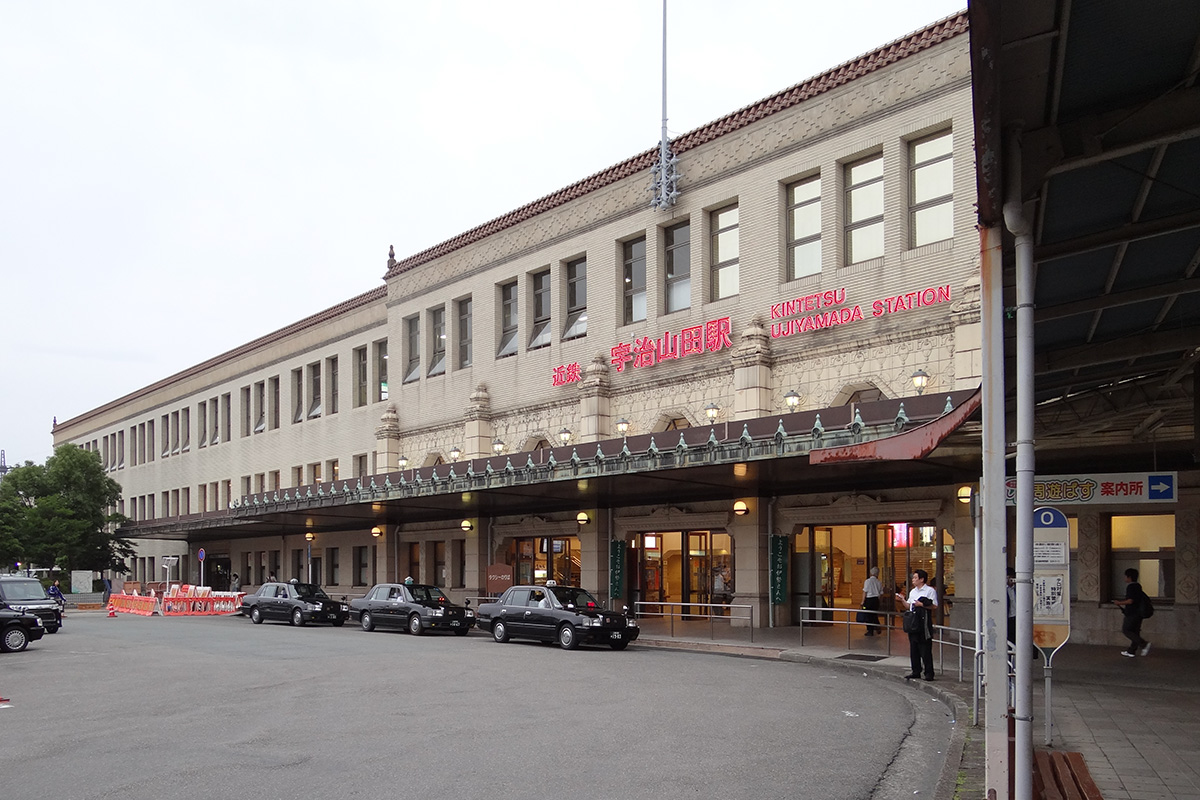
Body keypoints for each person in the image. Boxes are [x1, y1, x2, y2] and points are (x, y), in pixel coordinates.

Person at [896, 569, 938, 681]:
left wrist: (922, 604)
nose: (913, 580)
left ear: (922, 579)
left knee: (925, 648)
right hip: (913, 620)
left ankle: (929, 672)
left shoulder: (930, 591)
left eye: (915, 578)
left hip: (923, 621)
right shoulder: (913, 591)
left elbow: (934, 606)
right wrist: (902, 600)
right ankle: (916, 671)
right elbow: (908, 606)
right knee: (914, 648)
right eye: (913, 578)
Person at [1113, 567, 1151, 658]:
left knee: (1126, 630)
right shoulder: (1138, 586)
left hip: (1132, 613)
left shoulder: (1131, 587)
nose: (1124, 578)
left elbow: (1130, 601)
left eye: (1125, 576)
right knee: (1135, 631)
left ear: (1129, 577)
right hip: (1139, 613)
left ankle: (1144, 644)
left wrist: (1119, 603)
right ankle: (1131, 651)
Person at [861, 566, 883, 635]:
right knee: (874, 614)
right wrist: (880, 601)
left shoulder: (867, 581)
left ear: (871, 573)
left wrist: (862, 601)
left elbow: (865, 592)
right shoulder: (879, 582)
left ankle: (870, 630)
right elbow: (881, 593)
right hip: (876, 600)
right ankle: (877, 626)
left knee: (868, 615)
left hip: (869, 600)